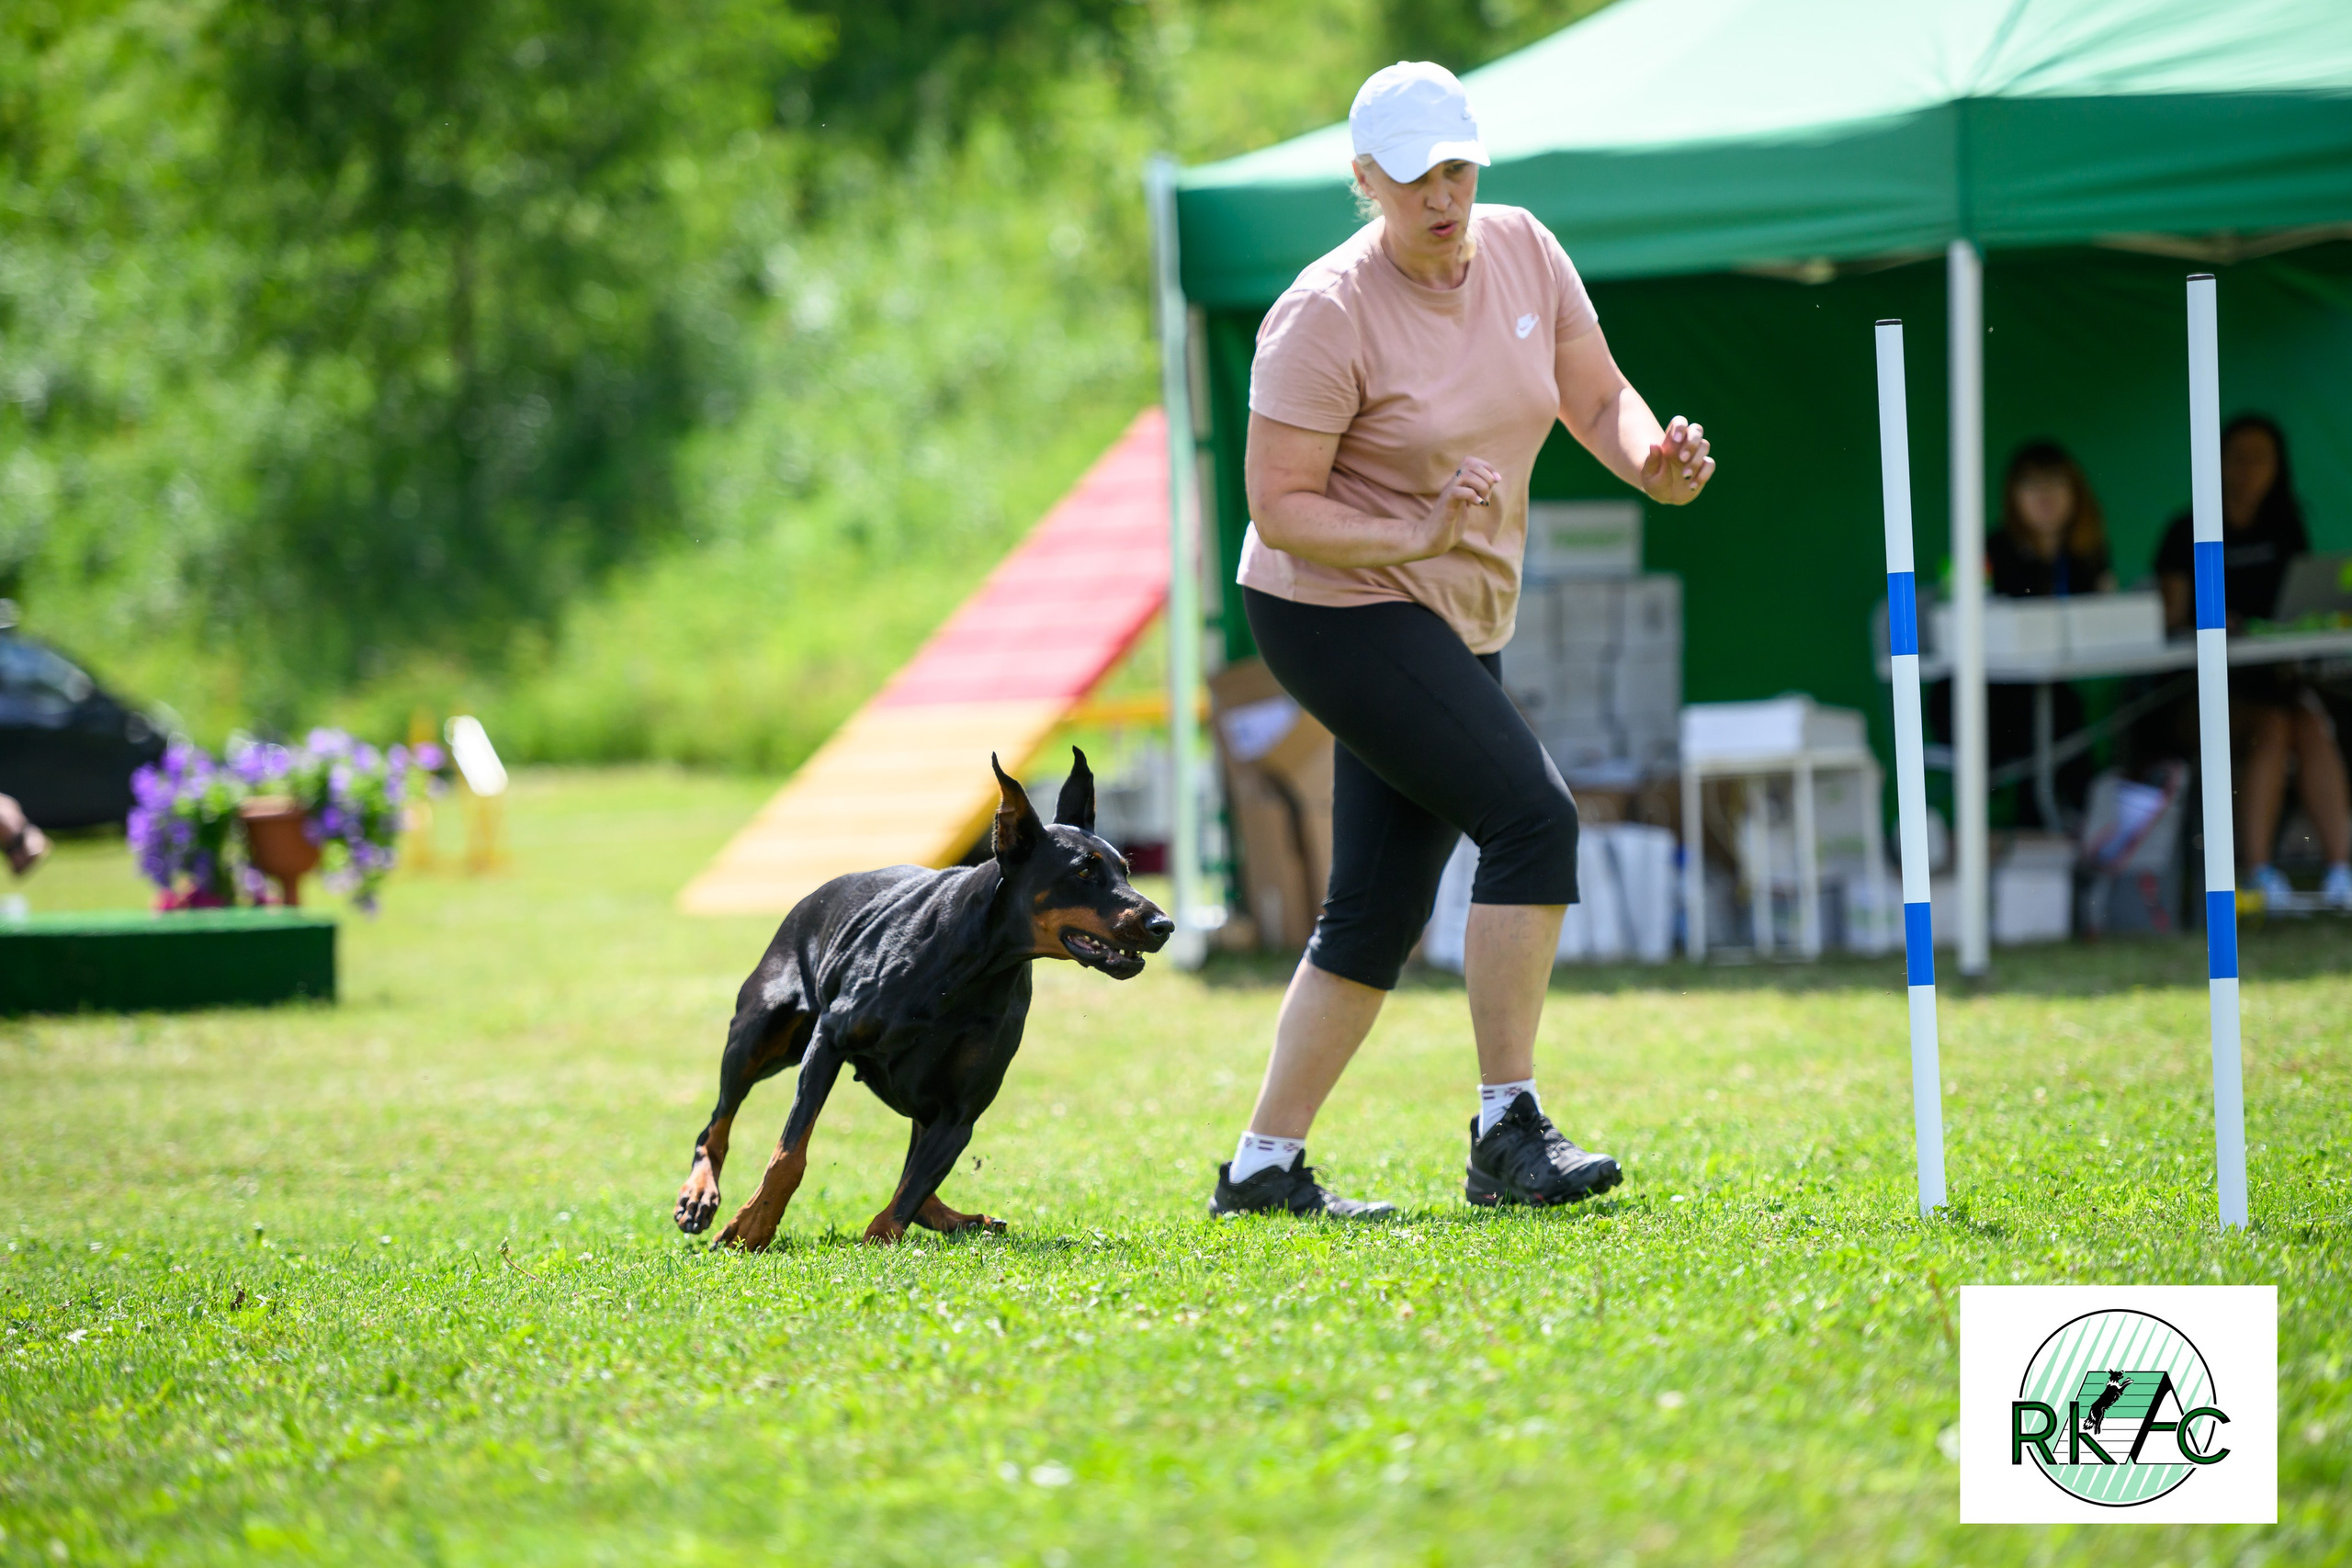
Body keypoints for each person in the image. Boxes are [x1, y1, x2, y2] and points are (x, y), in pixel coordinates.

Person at [1209, 62, 1713, 1220]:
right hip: (1328, 606)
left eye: (1456, 166)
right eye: (1410, 175)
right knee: (1531, 816)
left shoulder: (1527, 248)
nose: (1441, 194)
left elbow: (1596, 399)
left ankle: (1261, 1167)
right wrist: (1414, 524)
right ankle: (1507, 1128)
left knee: (1377, 909)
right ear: (1363, 181)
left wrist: (1651, 461)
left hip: (1450, 604)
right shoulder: (1321, 314)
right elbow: (1279, 506)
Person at [2152, 413, 2352, 908]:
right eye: (2238, 457)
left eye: (2261, 459)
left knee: (2309, 723)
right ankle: (2257, 872)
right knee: (2274, 727)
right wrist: (2217, 622)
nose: (2249, 470)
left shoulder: (2286, 527)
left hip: (2272, 681)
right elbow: (2171, 620)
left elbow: (2299, 606)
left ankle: (2340, 870)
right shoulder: (2187, 529)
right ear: (2216, 462)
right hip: (2193, 693)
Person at [1975, 441, 2116, 826]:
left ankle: (2079, 824)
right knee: (2052, 717)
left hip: (2057, 686)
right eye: (2031, 486)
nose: (2044, 497)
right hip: (1997, 693)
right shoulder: (1996, 551)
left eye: (2055, 483)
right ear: (2013, 497)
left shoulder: (2086, 551)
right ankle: (2048, 828)